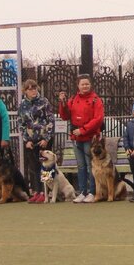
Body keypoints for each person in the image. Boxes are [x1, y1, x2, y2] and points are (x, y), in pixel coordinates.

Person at [57, 75, 104, 203]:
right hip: (76, 138)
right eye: (82, 84)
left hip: (90, 138)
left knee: (90, 166)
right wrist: (62, 103)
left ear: (90, 85)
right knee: (81, 166)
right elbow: (65, 116)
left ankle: (92, 192)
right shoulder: (73, 99)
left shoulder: (96, 100)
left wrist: (83, 130)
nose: (85, 86)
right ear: (78, 85)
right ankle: (83, 192)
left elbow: (98, 119)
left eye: (87, 84)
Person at [16, 78, 54, 203]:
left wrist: (46, 138)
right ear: (25, 91)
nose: (33, 91)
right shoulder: (22, 105)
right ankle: (37, 191)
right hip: (31, 141)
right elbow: (21, 123)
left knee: (46, 166)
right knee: (34, 167)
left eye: (34, 88)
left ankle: (46, 191)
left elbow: (50, 120)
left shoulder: (44, 101)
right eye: (29, 89)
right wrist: (26, 140)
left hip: (44, 140)